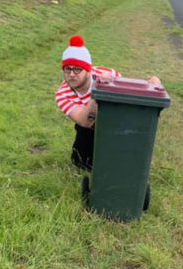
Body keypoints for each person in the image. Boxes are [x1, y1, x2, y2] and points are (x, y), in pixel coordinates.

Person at [55, 35, 160, 171]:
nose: (72, 74)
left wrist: (153, 86)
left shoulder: (108, 74)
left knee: (119, 162)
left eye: (77, 69)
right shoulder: (62, 94)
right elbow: (85, 121)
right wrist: (98, 92)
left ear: (88, 70)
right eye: (67, 69)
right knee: (80, 162)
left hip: (116, 120)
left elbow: (130, 95)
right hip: (89, 126)